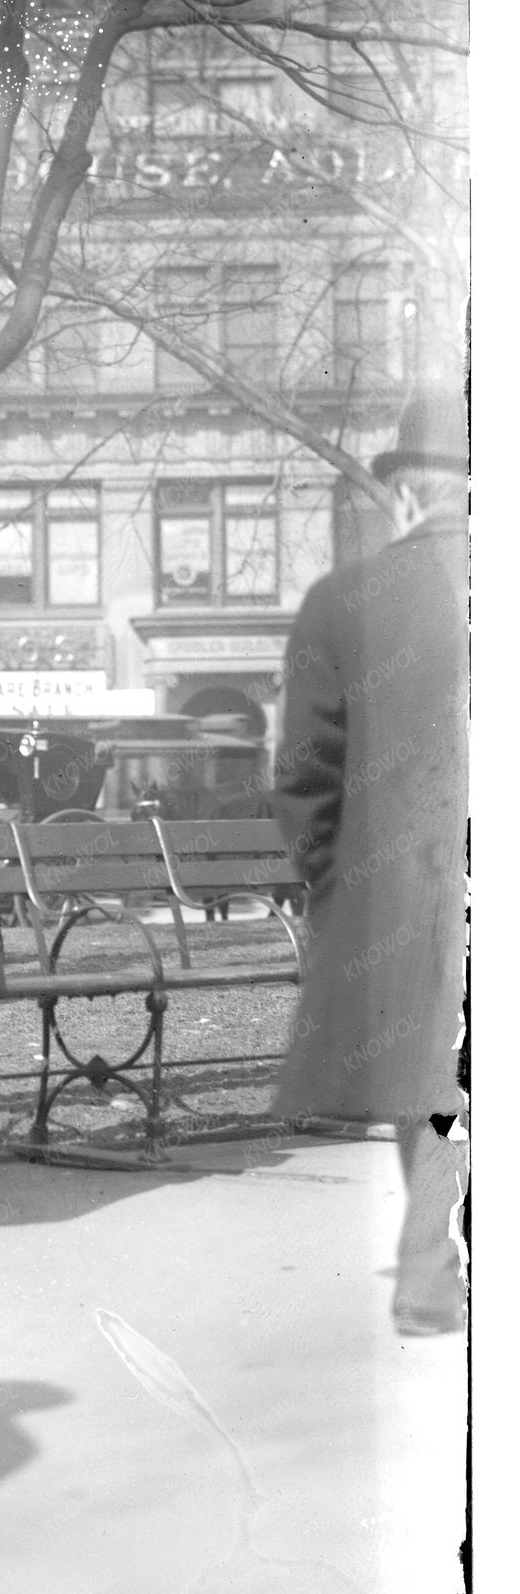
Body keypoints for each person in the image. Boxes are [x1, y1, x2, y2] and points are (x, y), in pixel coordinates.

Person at [272, 386, 469, 1336]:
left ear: (405, 494)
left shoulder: (347, 601)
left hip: (412, 888)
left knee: (437, 1076)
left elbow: (305, 777)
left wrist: (339, 880)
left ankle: (428, 1272)